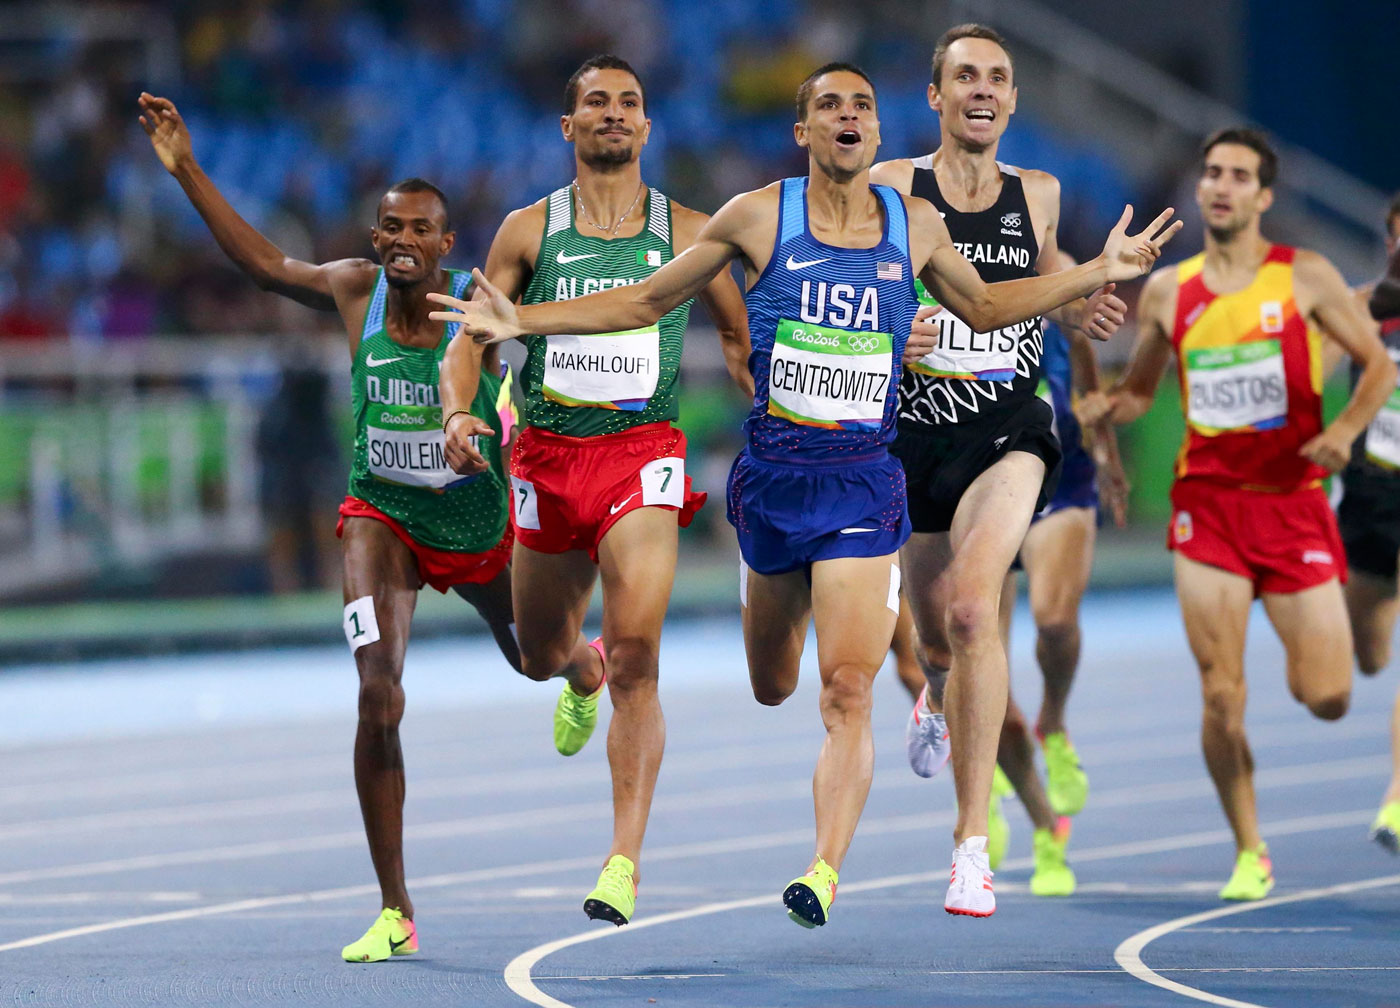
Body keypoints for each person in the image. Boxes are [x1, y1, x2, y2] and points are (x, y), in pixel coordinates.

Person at [430, 61, 1179, 923]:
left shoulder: (914, 222)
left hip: (864, 481)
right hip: (775, 483)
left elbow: (987, 307)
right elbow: (642, 302)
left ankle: (824, 869)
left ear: (877, 131)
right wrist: (524, 320)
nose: (848, 116)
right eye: (829, 105)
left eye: (863, 104)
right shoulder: (756, 215)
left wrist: (1093, 273)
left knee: (847, 693)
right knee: (772, 683)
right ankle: (653, 644)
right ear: (805, 132)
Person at [139, 93, 523, 961]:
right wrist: (187, 169)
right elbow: (267, 266)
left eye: (419, 229)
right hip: (377, 513)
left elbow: (525, 373)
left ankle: (584, 664)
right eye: (390, 226)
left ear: (445, 244)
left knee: (535, 658)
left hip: (469, 523)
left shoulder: (476, 303)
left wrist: (500, 427)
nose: (400, 242)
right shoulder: (353, 288)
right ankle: (395, 908)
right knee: (377, 695)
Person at [437, 55, 752, 927]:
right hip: (543, 459)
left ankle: (623, 860)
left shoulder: (692, 231)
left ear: (648, 128)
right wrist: (460, 413)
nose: (614, 114)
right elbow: (473, 335)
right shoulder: (527, 231)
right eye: (595, 103)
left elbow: (738, 330)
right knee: (538, 653)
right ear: (568, 128)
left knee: (641, 654)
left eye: (630, 103)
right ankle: (579, 669)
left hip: (641, 453)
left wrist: (769, 405)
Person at [1086, 128, 1395, 899]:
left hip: (1293, 510)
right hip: (1209, 514)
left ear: (1263, 197)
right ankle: (1249, 848)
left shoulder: (1307, 278)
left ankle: (1306, 694)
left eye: (1238, 177)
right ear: (1201, 189)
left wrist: (1344, 431)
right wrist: (1102, 410)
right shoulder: (1169, 291)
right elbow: (1139, 396)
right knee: (1222, 692)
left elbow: (1379, 362)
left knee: (1327, 697)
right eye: (1212, 173)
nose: (1220, 186)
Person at [868, 24, 1127, 904]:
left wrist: (1082, 300)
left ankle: (970, 844)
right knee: (939, 639)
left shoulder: (1040, 192)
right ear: (935, 97)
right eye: (965, 76)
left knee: (979, 611)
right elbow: (844, 281)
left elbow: (1031, 269)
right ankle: (936, 691)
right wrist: (888, 330)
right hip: (914, 436)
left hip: (1010, 426)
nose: (983, 89)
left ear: (1013, 101)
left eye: (999, 78)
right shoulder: (892, 188)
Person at [1329, 194, 1400, 852]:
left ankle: (1397, 798)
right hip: (1371, 499)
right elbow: (1307, 370)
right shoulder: (1358, 307)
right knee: (1368, 658)